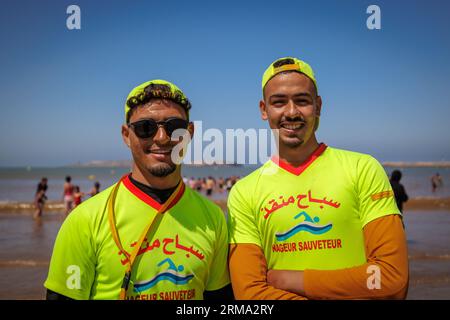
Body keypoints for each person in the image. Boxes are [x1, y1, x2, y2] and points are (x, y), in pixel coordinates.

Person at [227, 57, 409, 300]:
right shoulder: (244, 192)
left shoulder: (362, 168)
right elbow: (249, 294)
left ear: (318, 106)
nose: (291, 112)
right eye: (279, 102)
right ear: (264, 109)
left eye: (302, 101)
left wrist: (291, 279)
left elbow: (391, 278)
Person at [45, 80, 231, 300]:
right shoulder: (84, 220)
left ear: (189, 133)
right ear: (126, 135)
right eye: (145, 128)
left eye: (174, 127)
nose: (161, 138)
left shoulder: (213, 219)